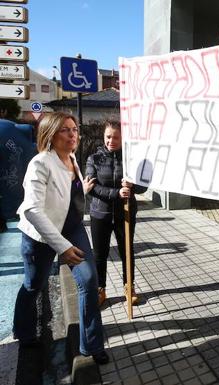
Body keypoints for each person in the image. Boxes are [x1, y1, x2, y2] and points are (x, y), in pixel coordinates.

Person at [13, 112, 108, 364]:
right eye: (65, 130)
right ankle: (23, 332)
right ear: (50, 135)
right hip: (42, 236)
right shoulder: (40, 163)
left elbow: (66, 192)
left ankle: (91, 345)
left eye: (74, 129)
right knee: (33, 285)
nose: (73, 134)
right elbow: (32, 209)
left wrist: (82, 189)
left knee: (88, 281)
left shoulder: (72, 157)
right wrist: (62, 247)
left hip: (73, 228)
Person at [86, 120, 146, 306]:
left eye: (116, 137)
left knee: (126, 252)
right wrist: (116, 193)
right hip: (99, 214)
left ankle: (129, 287)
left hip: (125, 214)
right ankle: (100, 288)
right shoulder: (94, 159)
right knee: (100, 254)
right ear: (104, 137)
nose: (112, 140)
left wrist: (132, 185)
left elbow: (143, 187)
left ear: (123, 138)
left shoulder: (131, 159)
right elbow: (92, 188)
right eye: (108, 136)